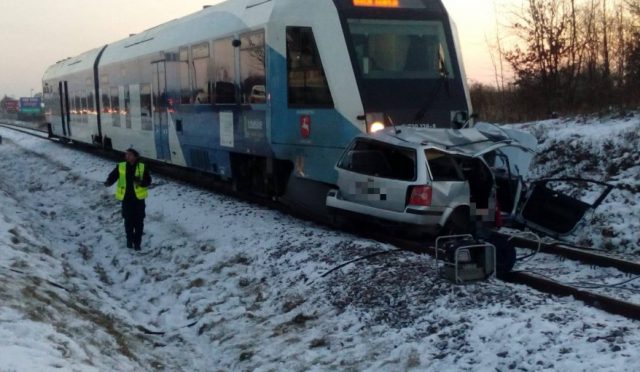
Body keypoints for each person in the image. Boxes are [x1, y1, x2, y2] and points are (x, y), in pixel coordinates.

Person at [104, 148, 151, 251]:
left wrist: (141, 182)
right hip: (126, 199)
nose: (127, 156)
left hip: (139, 200)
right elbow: (113, 176)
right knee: (128, 221)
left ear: (135, 156)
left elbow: (148, 181)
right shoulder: (121, 166)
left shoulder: (142, 167)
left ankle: (137, 243)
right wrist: (108, 182)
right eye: (126, 154)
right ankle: (129, 241)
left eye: (129, 154)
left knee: (139, 222)